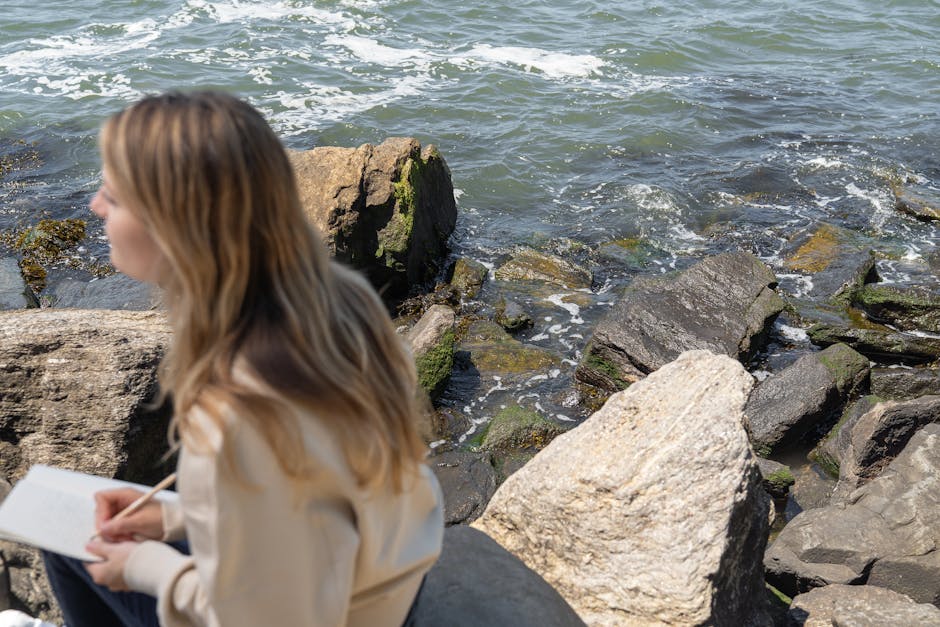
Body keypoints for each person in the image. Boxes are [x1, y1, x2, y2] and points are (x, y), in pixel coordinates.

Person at [41, 90, 444, 627]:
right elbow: (317, 505)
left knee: (66, 542)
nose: (94, 205)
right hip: (390, 586)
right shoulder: (341, 298)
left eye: (113, 196)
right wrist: (178, 517)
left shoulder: (236, 414)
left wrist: (147, 568)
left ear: (174, 226)